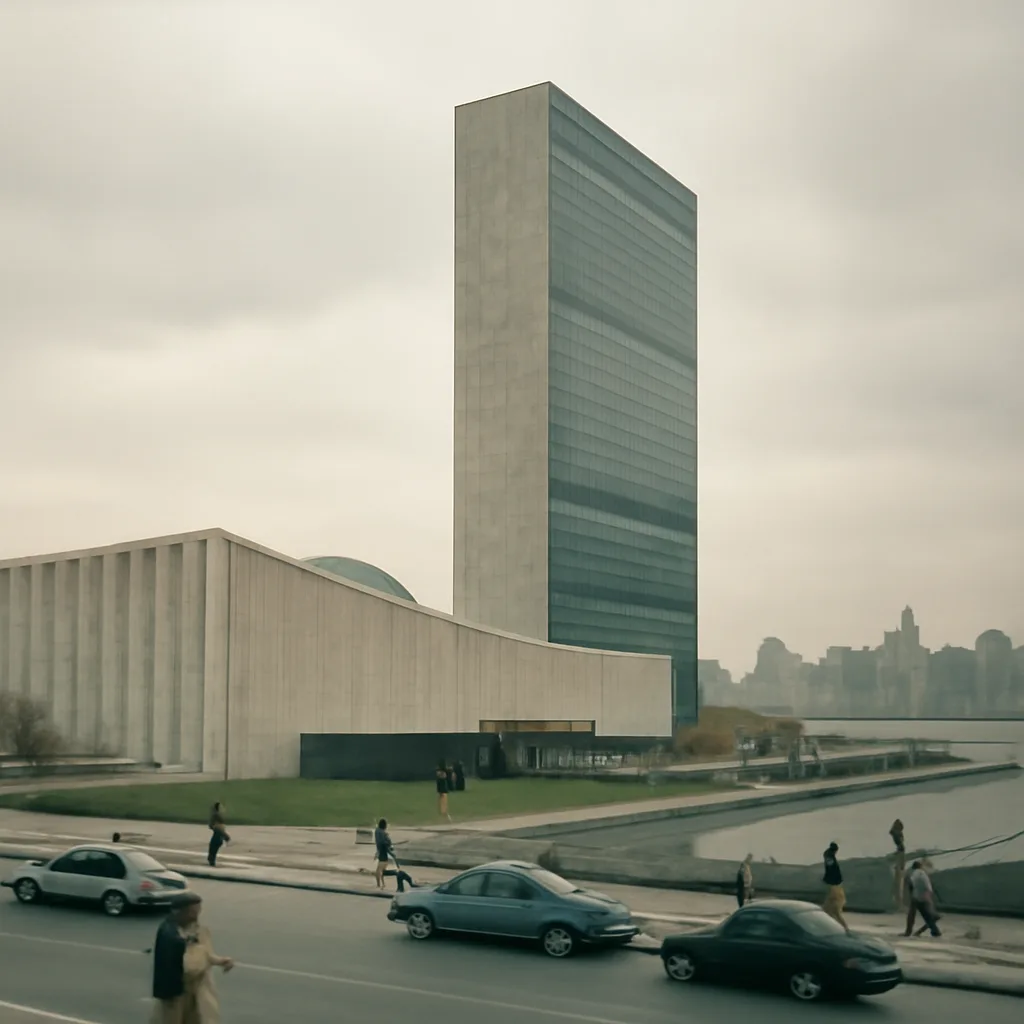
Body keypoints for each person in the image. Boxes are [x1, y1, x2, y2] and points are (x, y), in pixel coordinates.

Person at [150, 891, 233, 1023]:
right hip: (176, 992)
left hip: (196, 990)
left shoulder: (198, 929)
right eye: (192, 911)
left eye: (198, 910)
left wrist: (221, 961)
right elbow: (183, 965)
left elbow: (206, 953)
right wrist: (187, 942)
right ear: (180, 912)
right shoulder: (169, 934)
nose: (196, 915)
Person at [904, 860, 942, 938]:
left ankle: (908, 932)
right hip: (925, 896)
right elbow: (929, 887)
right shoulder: (923, 874)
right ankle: (935, 931)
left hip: (918, 897)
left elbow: (911, 883)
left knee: (912, 916)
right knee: (927, 916)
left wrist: (911, 894)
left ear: (913, 867)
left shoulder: (915, 873)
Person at [821, 841, 851, 933]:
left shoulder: (829, 857)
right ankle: (839, 928)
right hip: (835, 887)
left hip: (834, 888)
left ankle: (843, 929)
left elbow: (830, 871)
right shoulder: (830, 857)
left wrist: (826, 879)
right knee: (831, 911)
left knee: (832, 911)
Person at [890, 819, 907, 909]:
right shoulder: (897, 835)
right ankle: (899, 902)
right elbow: (901, 846)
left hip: (900, 854)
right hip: (900, 855)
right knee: (899, 881)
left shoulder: (895, 834)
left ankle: (898, 901)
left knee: (899, 879)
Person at [207, 802, 230, 867]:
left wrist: (226, 837)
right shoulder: (218, 816)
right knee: (213, 848)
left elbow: (213, 826)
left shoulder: (215, 816)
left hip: (217, 835)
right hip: (218, 835)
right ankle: (211, 860)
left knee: (213, 848)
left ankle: (211, 861)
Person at [374, 818, 393, 889]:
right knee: (380, 870)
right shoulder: (384, 834)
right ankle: (381, 884)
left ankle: (380, 884)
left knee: (379, 870)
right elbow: (389, 843)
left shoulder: (377, 831)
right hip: (384, 853)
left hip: (380, 852)